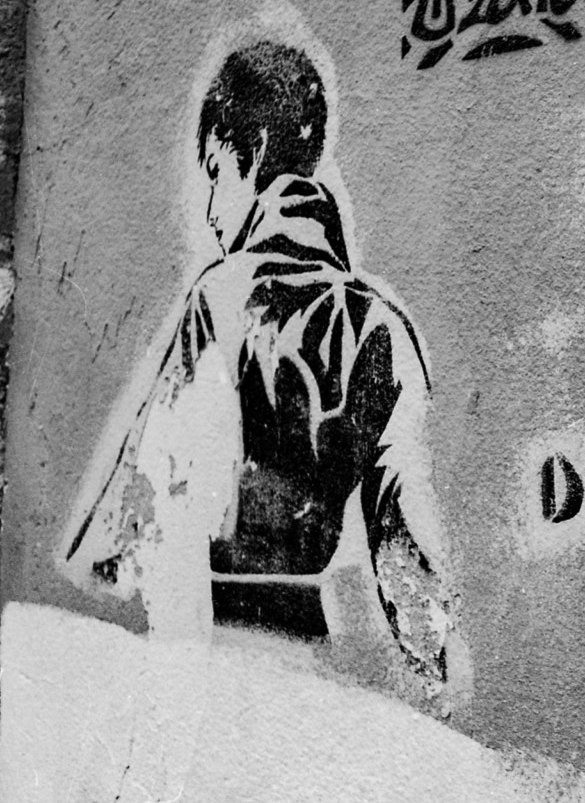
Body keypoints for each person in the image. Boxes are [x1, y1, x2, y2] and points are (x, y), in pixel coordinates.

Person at [61, 40, 468, 709]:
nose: (210, 211)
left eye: (214, 173)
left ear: (247, 155)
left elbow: (156, 517)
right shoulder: (381, 327)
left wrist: (165, 685)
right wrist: (435, 691)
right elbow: (405, 542)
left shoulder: (219, 299)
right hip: (313, 667)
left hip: (212, 649)